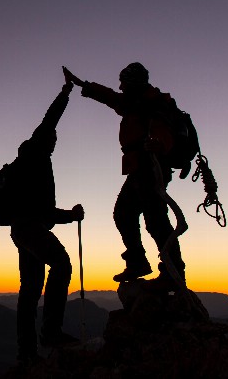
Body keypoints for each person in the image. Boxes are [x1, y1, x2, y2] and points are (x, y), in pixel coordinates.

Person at [63, 62, 185, 290]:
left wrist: (159, 145)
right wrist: (83, 85)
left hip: (150, 167)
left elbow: (163, 131)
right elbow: (111, 98)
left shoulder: (152, 104)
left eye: (124, 82)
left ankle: (172, 271)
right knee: (127, 214)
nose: (120, 86)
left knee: (154, 220)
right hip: (140, 168)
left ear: (133, 83)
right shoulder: (135, 103)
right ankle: (142, 263)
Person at [9, 67, 85, 366]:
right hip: (29, 229)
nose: (54, 141)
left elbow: (46, 212)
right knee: (62, 263)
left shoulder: (28, 165)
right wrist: (66, 92)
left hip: (23, 229)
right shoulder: (36, 155)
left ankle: (26, 353)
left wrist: (70, 215)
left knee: (29, 291)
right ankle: (51, 333)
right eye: (51, 139)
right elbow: (49, 119)